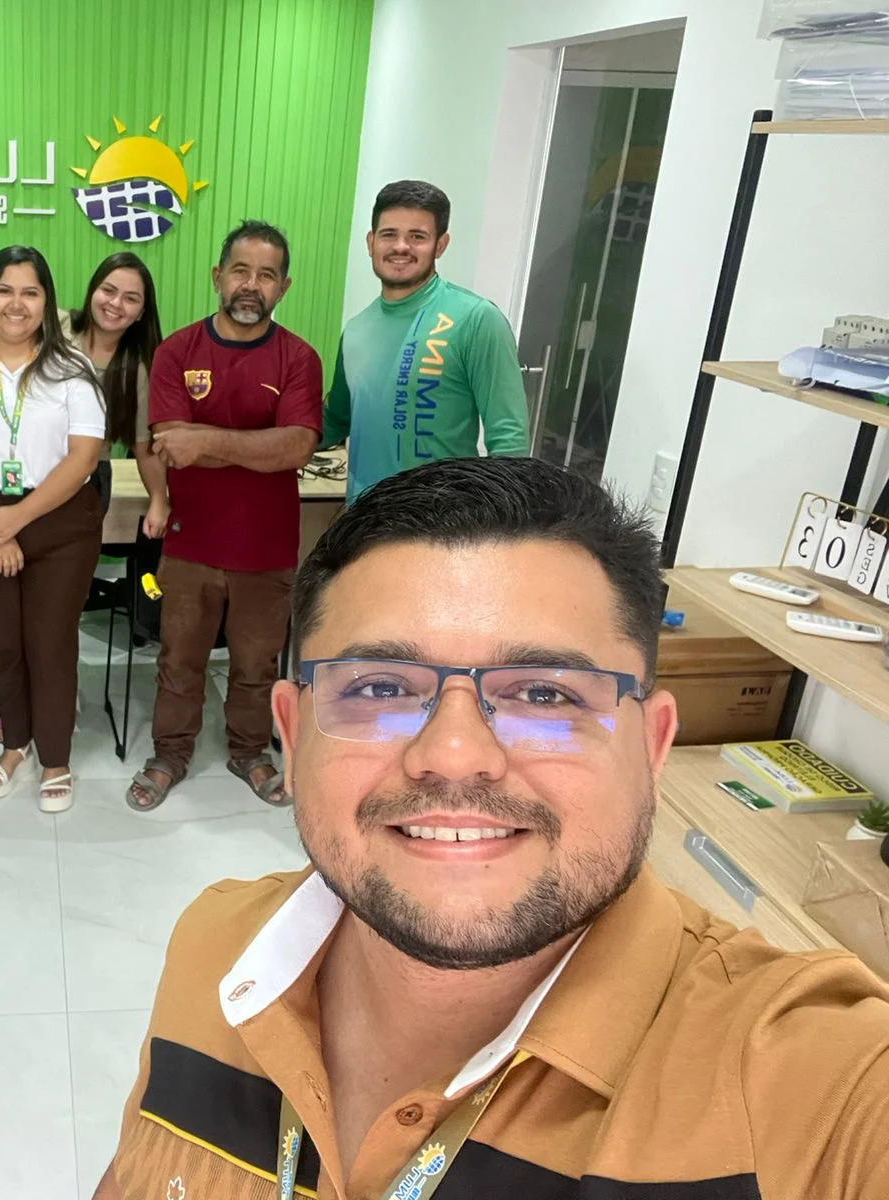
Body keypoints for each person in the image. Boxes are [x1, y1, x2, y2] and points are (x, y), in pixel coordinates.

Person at [93, 455, 889, 1200]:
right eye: (377, 687)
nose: (454, 757)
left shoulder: (810, 1084)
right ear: (293, 736)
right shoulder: (215, 950)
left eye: (545, 694)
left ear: (652, 748)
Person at [124, 220, 322, 812]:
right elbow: (169, 442)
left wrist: (208, 441)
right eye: (240, 270)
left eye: (266, 275)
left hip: (266, 546)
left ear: (283, 287)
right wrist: (255, 443)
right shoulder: (177, 352)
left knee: (256, 664)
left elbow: (296, 447)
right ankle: (170, 753)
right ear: (217, 276)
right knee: (178, 660)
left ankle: (249, 750)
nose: (250, 285)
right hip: (190, 543)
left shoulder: (298, 358)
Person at [0, 246, 105, 812]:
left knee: (49, 643)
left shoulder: (73, 370)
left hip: (59, 523)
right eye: (4, 290)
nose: (17, 303)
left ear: (47, 302)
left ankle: (54, 756)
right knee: (8, 642)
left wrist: (15, 521)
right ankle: (15, 745)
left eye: (30, 292)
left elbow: (82, 458)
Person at [0, 250, 166, 747]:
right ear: (91, 289)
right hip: (19, 475)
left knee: (56, 615)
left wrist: (160, 498)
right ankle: (15, 712)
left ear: (142, 311)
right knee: (12, 617)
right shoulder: (55, 329)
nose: (116, 304)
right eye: (109, 290)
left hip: (84, 485)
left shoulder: (138, 368)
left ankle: (57, 705)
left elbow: (144, 448)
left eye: (131, 298)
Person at [323, 179, 528, 499]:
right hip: (365, 520)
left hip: (443, 528)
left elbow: (510, 443)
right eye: (389, 234)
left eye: (417, 236)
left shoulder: (476, 320)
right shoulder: (356, 330)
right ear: (371, 241)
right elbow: (334, 420)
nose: (401, 246)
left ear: (440, 245)